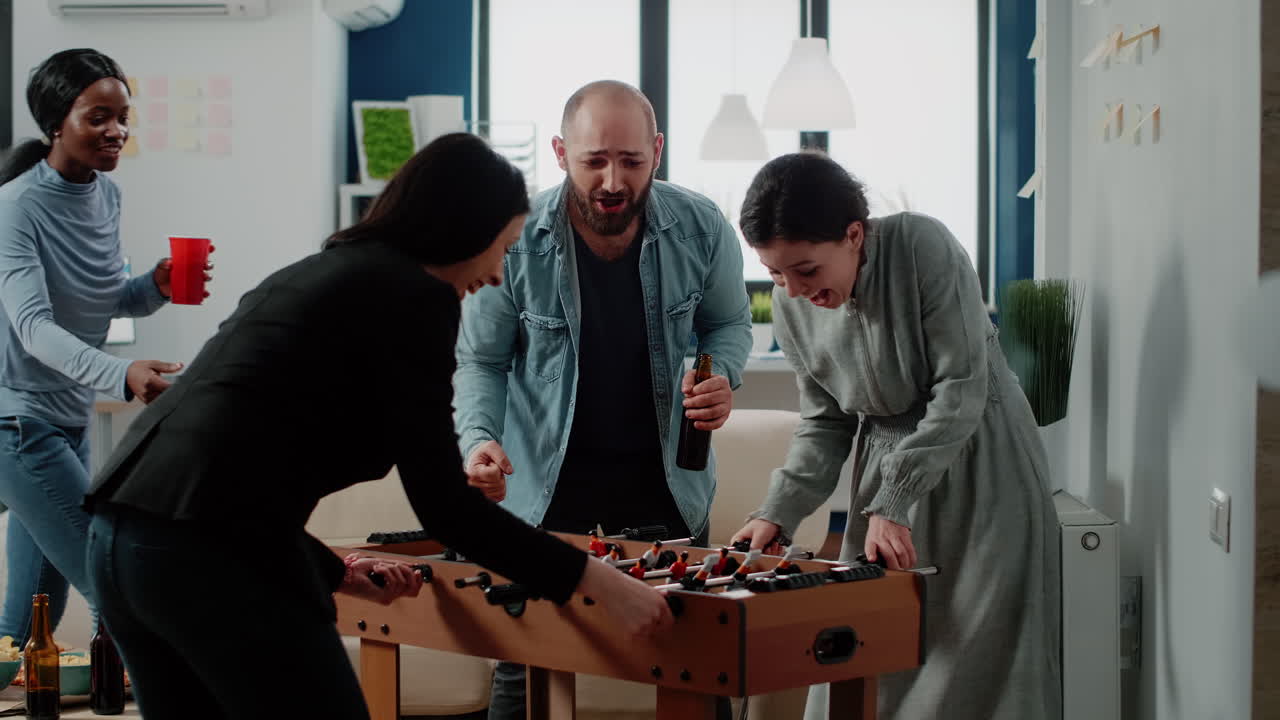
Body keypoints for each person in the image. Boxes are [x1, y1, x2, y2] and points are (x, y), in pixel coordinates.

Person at [82, 133, 673, 720]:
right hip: (205, 557)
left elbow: (233, 465)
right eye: (504, 246)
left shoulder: (325, 272)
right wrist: (598, 583)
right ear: (467, 227)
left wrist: (337, 572)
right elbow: (448, 508)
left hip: (121, 541)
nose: (497, 275)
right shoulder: (414, 298)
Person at [453, 80, 751, 720]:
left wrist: (723, 374)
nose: (612, 180)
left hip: (671, 485)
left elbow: (729, 325)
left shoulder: (702, 227)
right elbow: (481, 359)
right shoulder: (514, 238)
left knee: (700, 665)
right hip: (544, 492)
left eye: (631, 161)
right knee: (524, 665)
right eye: (594, 161)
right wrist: (478, 440)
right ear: (561, 152)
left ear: (658, 152)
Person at [729, 152, 1062, 719]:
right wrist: (777, 511)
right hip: (884, 484)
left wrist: (895, 497)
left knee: (986, 664)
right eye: (775, 273)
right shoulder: (793, 307)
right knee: (865, 659)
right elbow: (826, 421)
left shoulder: (922, 248)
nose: (790, 291)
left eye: (806, 270)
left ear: (854, 234)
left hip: (983, 465)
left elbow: (961, 385)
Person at [0, 48, 200, 648]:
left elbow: (102, 297)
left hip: (67, 416)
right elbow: (35, 327)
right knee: (115, 580)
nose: (116, 131)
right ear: (55, 122)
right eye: (97, 117)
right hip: (17, 421)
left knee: (28, 617)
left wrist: (155, 288)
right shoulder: (15, 208)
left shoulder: (106, 196)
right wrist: (122, 375)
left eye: (122, 117)